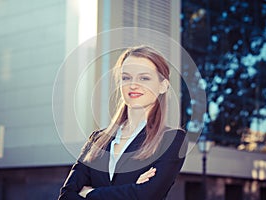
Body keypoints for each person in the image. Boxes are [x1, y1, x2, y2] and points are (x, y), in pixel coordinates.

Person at [58, 45, 188, 200]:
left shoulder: (172, 139)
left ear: (163, 86)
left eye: (144, 78)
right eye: (126, 77)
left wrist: (89, 193)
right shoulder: (97, 139)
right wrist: (130, 189)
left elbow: (146, 195)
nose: (133, 85)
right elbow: (66, 195)